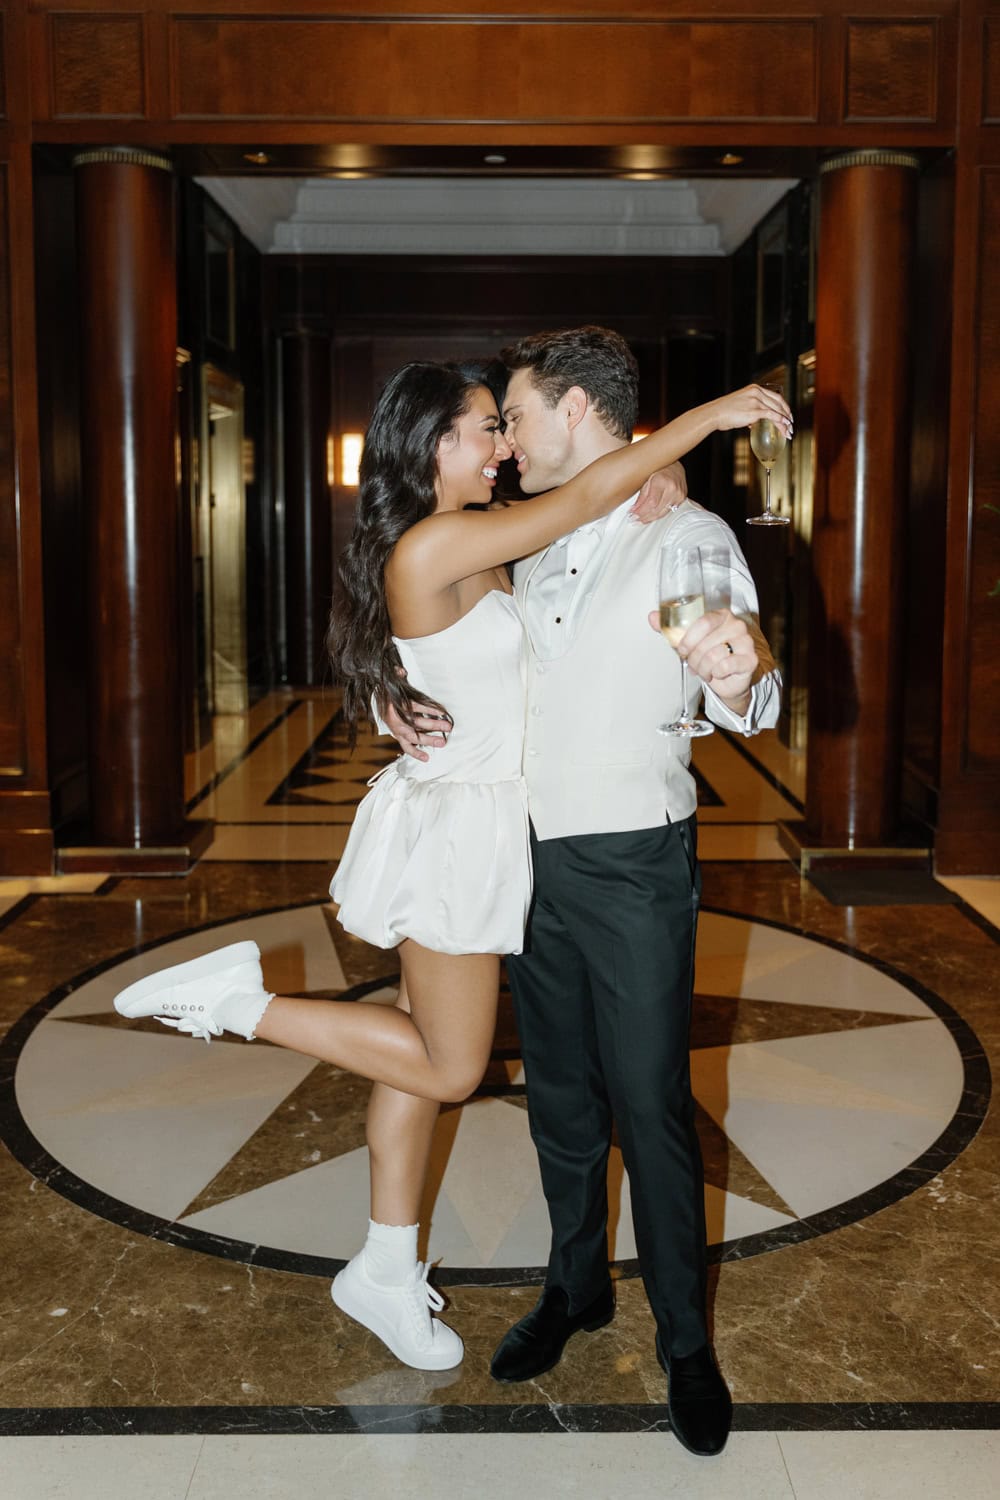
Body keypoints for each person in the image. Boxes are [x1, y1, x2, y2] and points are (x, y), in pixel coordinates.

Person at [112, 356, 790, 1383]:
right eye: (488, 427)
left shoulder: (520, 547)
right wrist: (707, 420)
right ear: (437, 447)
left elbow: (580, 574)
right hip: (467, 834)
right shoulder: (452, 539)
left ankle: (398, 1267)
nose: (505, 444)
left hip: (535, 836)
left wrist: (681, 502)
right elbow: (586, 495)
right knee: (455, 1067)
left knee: (451, 1062)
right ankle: (242, 1007)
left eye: (507, 422)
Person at [389, 327, 785, 1455]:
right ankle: (576, 1289)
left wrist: (739, 667)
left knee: (650, 1109)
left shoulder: (684, 534)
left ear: (574, 411)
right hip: (526, 863)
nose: (504, 444)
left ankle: (686, 1345)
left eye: (514, 417)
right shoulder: (524, 546)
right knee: (559, 1099)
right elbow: (444, 656)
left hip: (629, 865)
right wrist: (397, 713)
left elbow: (734, 659)